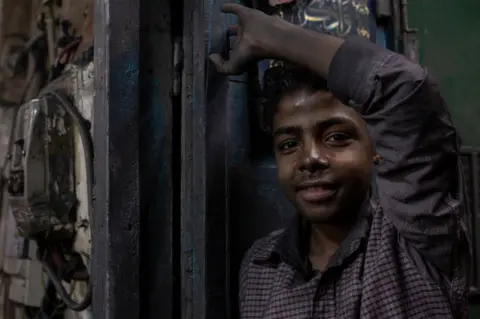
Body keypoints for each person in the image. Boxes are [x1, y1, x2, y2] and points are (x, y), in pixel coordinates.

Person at [210, 3, 471, 319]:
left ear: (375, 146)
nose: (312, 159)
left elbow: (407, 90)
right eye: (289, 144)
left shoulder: (416, 240)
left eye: (336, 137)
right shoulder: (261, 266)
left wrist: (274, 36)